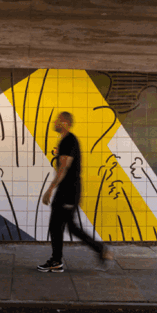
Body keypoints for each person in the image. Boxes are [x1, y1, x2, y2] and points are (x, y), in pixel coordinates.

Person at [38, 111, 114, 272]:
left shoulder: (69, 141)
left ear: (66, 123)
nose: (55, 122)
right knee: (68, 226)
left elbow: (64, 167)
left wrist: (50, 189)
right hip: (68, 189)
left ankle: (57, 261)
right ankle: (100, 250)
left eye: (58, 120)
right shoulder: (66, 141)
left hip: (68, 191)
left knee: (56, 225)